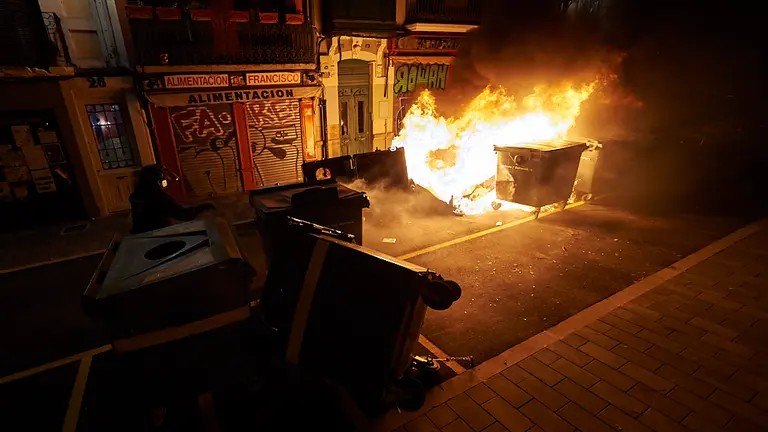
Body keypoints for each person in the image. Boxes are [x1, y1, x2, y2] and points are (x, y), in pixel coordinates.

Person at [129, 164, 215, 234]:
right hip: (160, 235)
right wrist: (202, 208)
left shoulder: (138, 195)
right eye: (163, 179)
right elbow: (183, 214)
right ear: (157, 181)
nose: (167, 180)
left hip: (144, 235)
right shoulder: (160, 198)